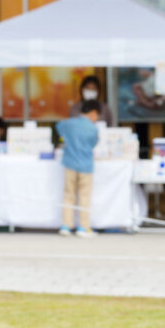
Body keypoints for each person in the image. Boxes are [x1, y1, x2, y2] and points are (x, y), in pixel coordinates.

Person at [55, 99, 101, 237]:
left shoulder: (68, 124)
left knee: (68, 195)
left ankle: (66, 226)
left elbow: (58, 127)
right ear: (93, 113)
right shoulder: (93, 128)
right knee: (84, 197)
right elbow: (94, 143)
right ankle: (83, 227)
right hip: (86, 165)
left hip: (70, 163)